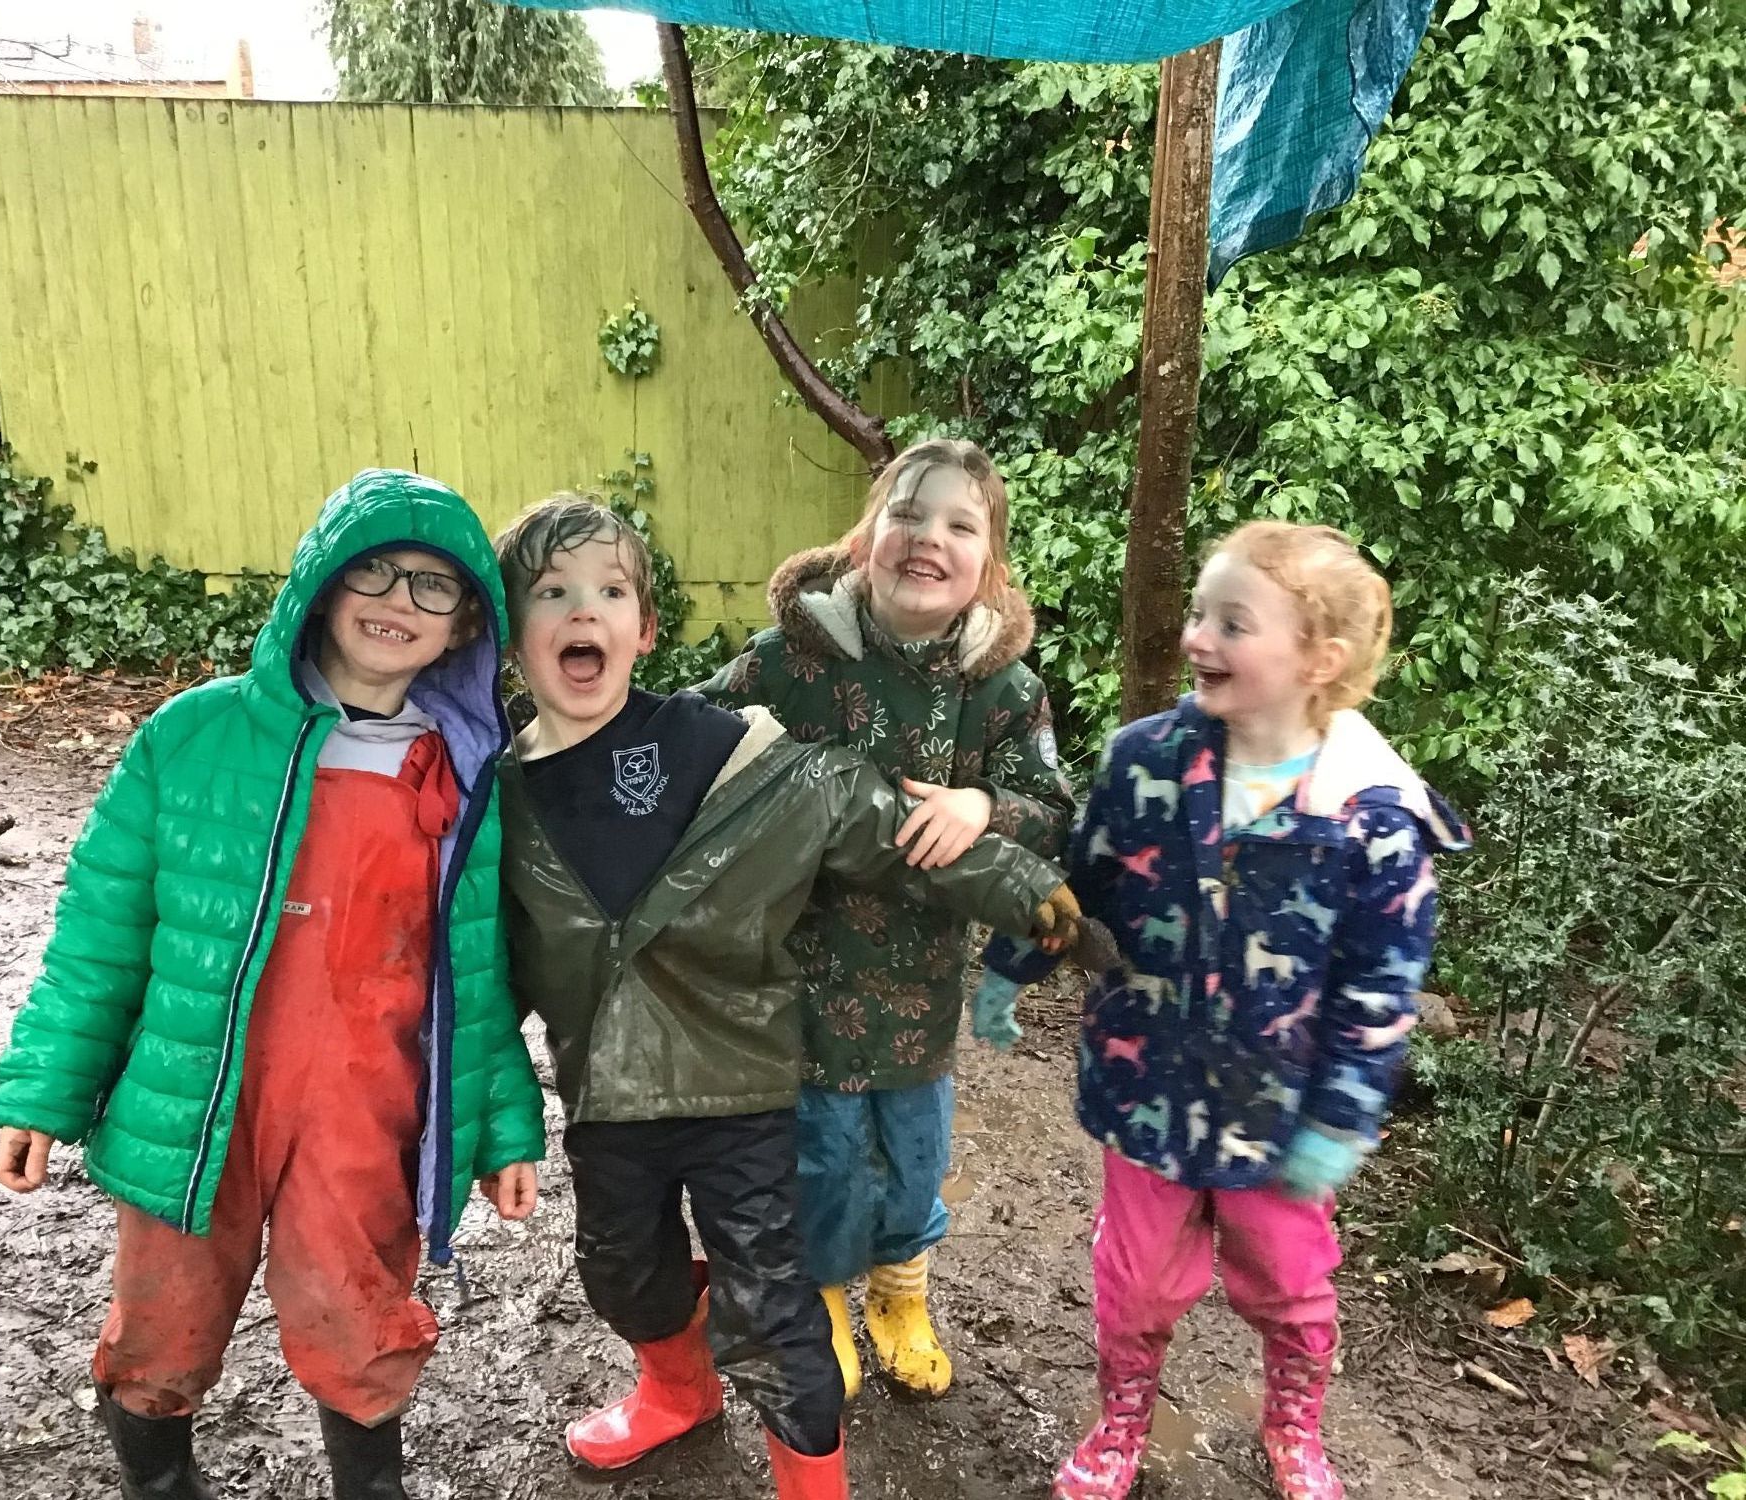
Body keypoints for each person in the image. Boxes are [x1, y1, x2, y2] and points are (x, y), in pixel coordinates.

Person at [491, 493, 1083, 1500]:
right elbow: (480, 978)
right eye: (549, 592)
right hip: (608, 1098)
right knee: (622, 1277)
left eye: (608, 590)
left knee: (775, 1313)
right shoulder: (498, 797)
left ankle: (814, 1486)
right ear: (509, 635)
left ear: (643, 625)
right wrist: (492, 1117)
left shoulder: (723, 751)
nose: (579, 610)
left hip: (740, 1091)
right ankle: (676, 1392)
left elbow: (878, 820)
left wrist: (1032, 895)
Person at [0, 470, 545, 1500]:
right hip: (199, 1095)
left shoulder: (460, 769)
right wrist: (43, 1090)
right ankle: (160, 1482)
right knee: (165, 1316)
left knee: (358, 1309)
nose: (398, 602)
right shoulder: (189, 740)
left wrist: (503, 1125)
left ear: (468, 618)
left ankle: (367, 1485)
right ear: (319, 587)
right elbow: (101, 934)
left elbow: (475, 969)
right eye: (372, 570)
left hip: (366, 1108)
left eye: (433, 586)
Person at [977, 521, 1471, 1500]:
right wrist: (1010, 965)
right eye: (1198, 613)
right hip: (1145, 1089)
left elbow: (1378, 986)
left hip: (1280, 1115)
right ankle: (1121, 1421)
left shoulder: (1369, 816)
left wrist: (1341, 1114)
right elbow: (1082, 887)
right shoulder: (1142, 762)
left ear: (1317, 659)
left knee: (1288, 1287)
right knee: (1136, 1285)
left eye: (1231, 622)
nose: (1197, 637)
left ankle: (1292, 1425)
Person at [700, 437, 1075, 1399]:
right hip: (800, 974)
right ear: (867, 533)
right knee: (820, 1153)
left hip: (918, 989)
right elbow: (697, 739)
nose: (928, 538)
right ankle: (824, 1292)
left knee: (912, 1154)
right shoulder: (792, 659)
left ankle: (901, 1291)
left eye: (960, 523)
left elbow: (1052, 810)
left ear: (987, 561)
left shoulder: (1003, 686)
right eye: (908, 513)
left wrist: (982, 806)